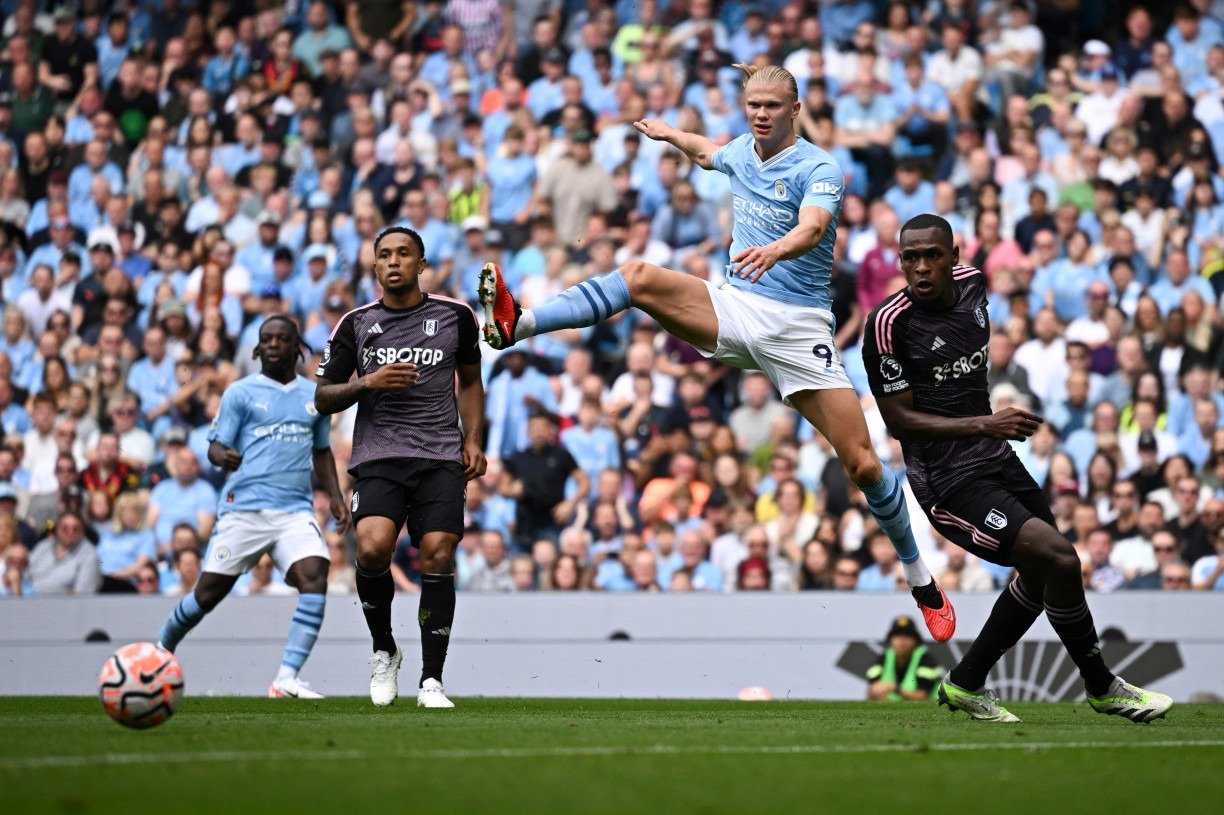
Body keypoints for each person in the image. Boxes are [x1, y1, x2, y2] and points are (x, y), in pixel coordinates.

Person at [478, 63, 955, 641]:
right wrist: (670, 133)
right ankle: (517, 322)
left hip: (798, 327)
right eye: (753, 103)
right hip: (735, 307)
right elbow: (709, 153)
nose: (760, 113)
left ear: (795, 110)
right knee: (638, 277)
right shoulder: (740, 151)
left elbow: (814, 226)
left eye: (772, 106)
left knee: (864, 464)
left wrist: (776, 249)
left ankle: (920, 578)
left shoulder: (820, 167)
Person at [862, 213, 1171, 724]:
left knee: (1042, 569)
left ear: (954, 257)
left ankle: (965, 682)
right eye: (910, 258)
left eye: (931, 255)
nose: (920, 268)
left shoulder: (974, 286)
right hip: (947, 482)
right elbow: (898, 421)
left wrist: (987, 428)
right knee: (1061, 560)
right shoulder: (888, 325)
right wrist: (985, 423)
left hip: (995, 458)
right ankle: (1102, 686)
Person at [315, 227, 486, 709]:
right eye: (384, 255)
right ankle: (384, 649)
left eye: (403, 254)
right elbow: (322, 396)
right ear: (374, 267)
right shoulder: (355, 323)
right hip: (379, 456)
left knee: (438, 552)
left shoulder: (455, 316)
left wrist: (473, 439)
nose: (394, 262)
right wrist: (368, 382)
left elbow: (471, 382)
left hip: (439, 456)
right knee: (370, 550)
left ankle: (432, 679)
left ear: (421, 264)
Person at [156, 316, 349, 700]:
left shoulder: (316, 396)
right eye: (267, 339)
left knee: (315, 573)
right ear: (257, 349)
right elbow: (215, 444)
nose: (274, 344)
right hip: (243, 509)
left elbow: (322, 450)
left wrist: (337, 496)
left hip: (294, 510)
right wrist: (220, 455)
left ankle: (286, 678)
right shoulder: (240, 393)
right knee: (207, 595)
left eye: (282, 338)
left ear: (298, 348)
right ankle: (161, 650)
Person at [866, 615, 942, 701]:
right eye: (897, 635)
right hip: (894, 711)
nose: (902, 640)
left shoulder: (926, 660)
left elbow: (922, 696)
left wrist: (894, 688)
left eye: (908, 635)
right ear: (890, 640)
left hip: (928, 712)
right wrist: (876, 692)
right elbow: (871, 693)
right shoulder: (884, 657)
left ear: (916, 640)